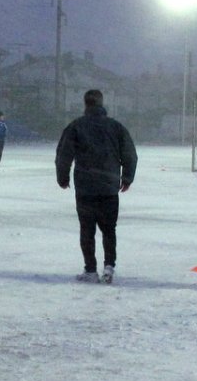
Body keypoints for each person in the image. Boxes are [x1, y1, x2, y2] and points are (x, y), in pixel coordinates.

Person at [56, 89, 137, 284]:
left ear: (85, 104)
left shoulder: (76, 127)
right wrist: (127, 178)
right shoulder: (116, 127)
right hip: (109, 187)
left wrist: (63, 178)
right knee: (109, 229)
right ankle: (109, 267)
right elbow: (130, 154)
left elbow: (64, 154)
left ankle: (90, 269)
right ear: (102, 104)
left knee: (87, 229)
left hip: (85, 187)